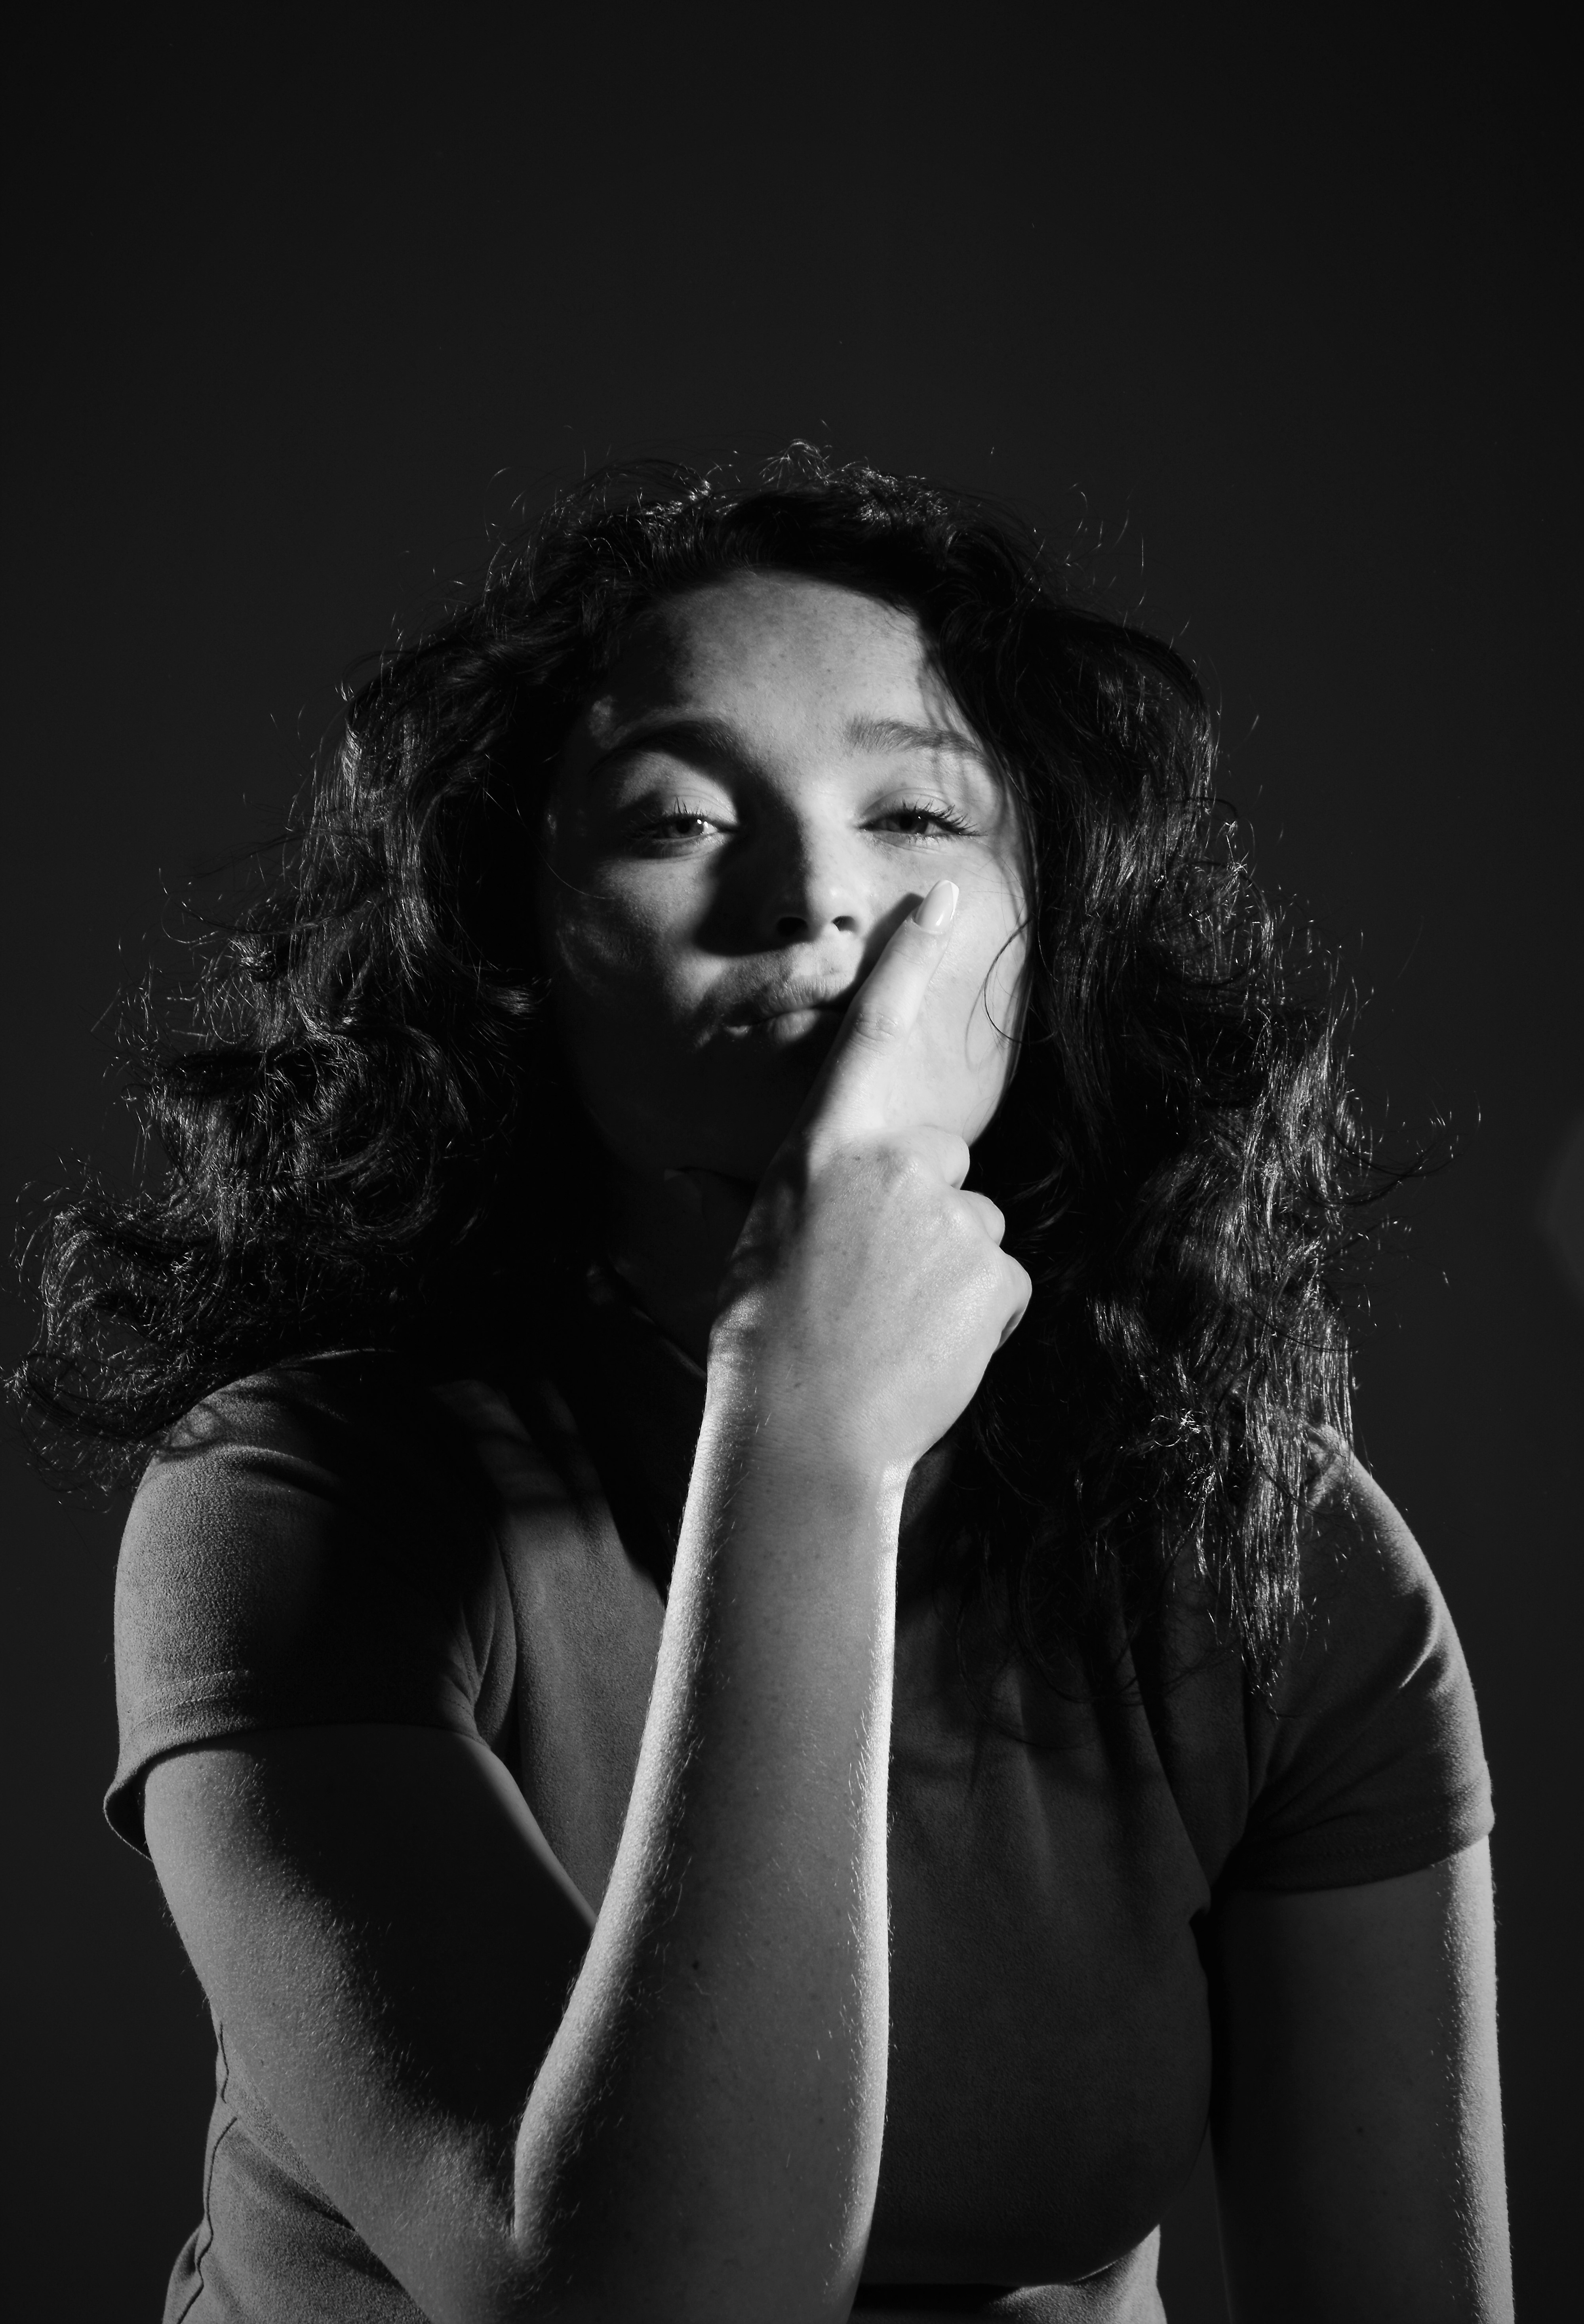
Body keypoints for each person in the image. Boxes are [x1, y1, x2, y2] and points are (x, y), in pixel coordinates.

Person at [16, 453, 1512, 2321]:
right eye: (676, 822)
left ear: (1046, 922)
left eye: (914, 814)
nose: (811, 900)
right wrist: (804, 1435)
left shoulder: (1260, 1542)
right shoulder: (294, 1496)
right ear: (520, 946)